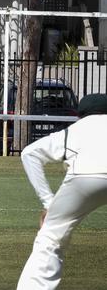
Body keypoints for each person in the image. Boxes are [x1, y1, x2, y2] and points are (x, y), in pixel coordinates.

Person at [17, 93, 107, 290]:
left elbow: (29, 153)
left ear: (79, 115)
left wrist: (48, 203)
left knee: (50, 236)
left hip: (84, 177)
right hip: (86, 176)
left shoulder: (74, 130)